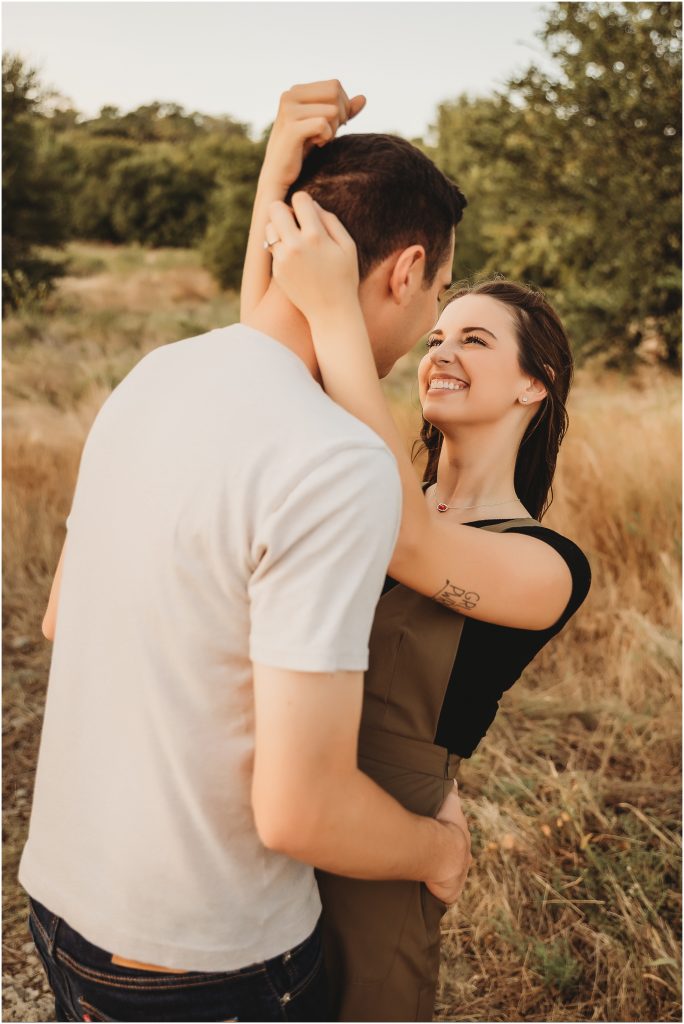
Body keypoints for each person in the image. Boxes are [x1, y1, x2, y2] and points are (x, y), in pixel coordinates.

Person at [18, 81, 472, 1023]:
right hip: (208, 960)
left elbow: (62, 617)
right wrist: (438, 850)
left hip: (62, 898)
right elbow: (299, 811)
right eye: (440, 291)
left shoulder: (157, 374)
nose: (432, 319)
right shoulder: (337, 459)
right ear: (407, 267)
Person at [240, 124, 591, 1018]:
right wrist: (278, 177)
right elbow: (261, 359)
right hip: (277, 796)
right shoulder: (379, 474)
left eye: (474, 340)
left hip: (388, 843)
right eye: (435, 333)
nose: (440, 352)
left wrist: (333, 311)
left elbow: (413, 552)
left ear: (533, 384)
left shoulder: (546, 563)